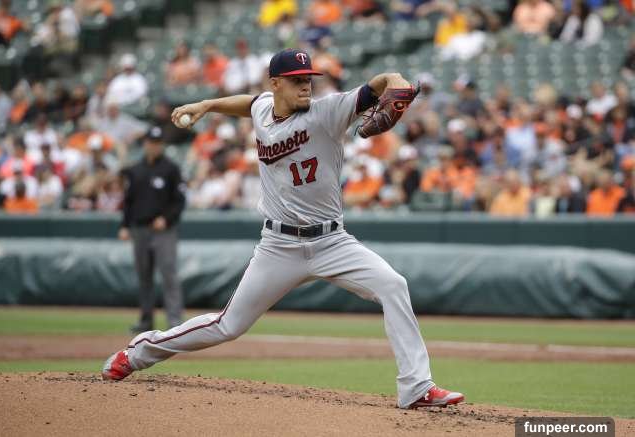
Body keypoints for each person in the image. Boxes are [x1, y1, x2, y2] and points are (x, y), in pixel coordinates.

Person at [102, 48, 464, 410]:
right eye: (296, 80)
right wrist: (207, 104)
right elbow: (250, 103)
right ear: (275, 84)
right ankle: (138, 353)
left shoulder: (328, 111)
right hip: (278, 247)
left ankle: (416, 386)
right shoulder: (264, 108)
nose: (305, 86)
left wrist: (397, 82)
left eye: (308, 79)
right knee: (228, 326)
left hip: (332, 242)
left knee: (393, 285)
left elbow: (381, 84)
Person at [118, 126, 186, 334]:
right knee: (144, 276)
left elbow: (180, 200)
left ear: (161, 145)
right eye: (151, 142)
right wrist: (124, 225)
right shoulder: (136, 170)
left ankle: (174, 321)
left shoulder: (171, 169)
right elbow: (128, 202)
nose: (154, 146)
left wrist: (166, 218)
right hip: (139, 229)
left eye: (157, 143)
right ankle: (146, 320)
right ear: (145, 144)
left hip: (163, 231)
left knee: (168, 274)